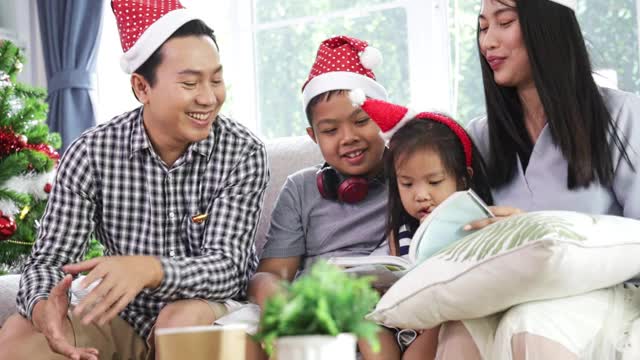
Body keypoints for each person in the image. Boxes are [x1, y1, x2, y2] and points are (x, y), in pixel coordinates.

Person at [0, 1, 269, 360]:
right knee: (20, 334)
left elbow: (230, 268)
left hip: (210, 310)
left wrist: (149, 269)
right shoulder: (92, 153)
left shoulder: (243, 151)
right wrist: (42, 306)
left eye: (216, 79)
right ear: (142, 87)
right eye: (190, 82)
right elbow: (49, 260)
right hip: (125, 315)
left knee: (180, 323)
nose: (209, 97)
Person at [436, 0, 640, 359]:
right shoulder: (480, 137)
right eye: (483, 28)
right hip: (512, 290)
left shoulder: (622, 116)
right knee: (459, 325)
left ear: (548, 27)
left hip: (605, 293)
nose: (488, 42)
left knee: (530, 321)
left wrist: (536, 230)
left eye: (505, 22)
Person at [246, 35, 408, 359]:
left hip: (378, 313)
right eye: (331, 131)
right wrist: (279, 300)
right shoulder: (300, 189)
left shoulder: (409, 178)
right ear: (314, 136)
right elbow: (272, 274)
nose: (348, 138)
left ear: (382, 116)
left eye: (361, 121)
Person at [349, 93, 495, 359]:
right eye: (407, 184)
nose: (420, 195)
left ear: (463, 180)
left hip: (440, 319)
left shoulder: (474, 224)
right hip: (401, 319)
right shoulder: (401, 229)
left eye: (434, 182)